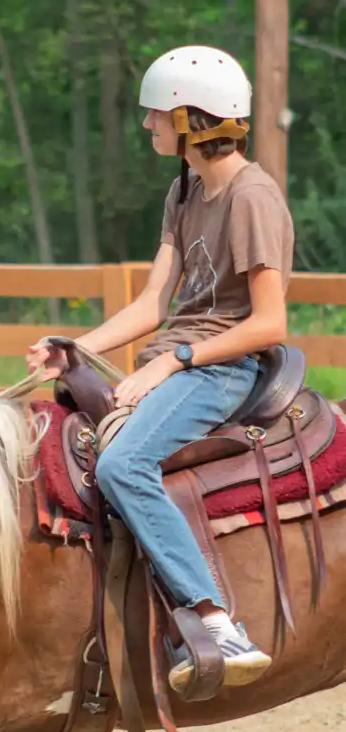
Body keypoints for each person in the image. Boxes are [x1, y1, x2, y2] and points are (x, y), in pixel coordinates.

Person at [27, 44, 294, 695]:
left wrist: (173, 363)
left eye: (155, 114)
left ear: (191, 117)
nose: (146, 124)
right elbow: (151, 303)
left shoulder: (252, 198)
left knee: (122, 464)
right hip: (177, 360)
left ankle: (215, 621)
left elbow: (268, 325)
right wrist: (76, 347)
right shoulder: (183, 188)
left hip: (222, 368)